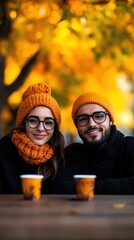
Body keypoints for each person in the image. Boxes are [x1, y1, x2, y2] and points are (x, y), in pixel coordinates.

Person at [51, 91, 134, 194]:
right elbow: (60, 187)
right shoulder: (72, 155)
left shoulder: (130, 147)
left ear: (111, 120)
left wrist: (83, 187)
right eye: (83, 119)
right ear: (77, 126)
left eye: (99, 116)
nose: (91, 124)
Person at [0, 82, 64, 194]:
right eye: (33, 121)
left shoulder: (60, 154)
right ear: (23, 123)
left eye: (48, 122)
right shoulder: (3, 150)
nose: (40, 128)